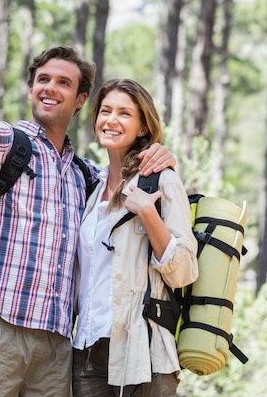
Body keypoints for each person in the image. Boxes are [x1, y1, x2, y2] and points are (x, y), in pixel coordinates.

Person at [0, 7, 176, 397]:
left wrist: (158, 154)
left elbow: (121, 182)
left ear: (80, 100)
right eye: (42, 80)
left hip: (58, 344)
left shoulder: (87, 177)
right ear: (30, 90)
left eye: (63, 83)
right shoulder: (5, 146)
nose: (50, 88)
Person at [72, 78, 199, 397]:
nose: (111, 120)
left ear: (143, 127)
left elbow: (184, 272)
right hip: (88, 354)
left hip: (144, 354)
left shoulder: (163, 181)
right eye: (105, 111)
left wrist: (149, 215)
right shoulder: (92, 188)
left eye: (124, 113)